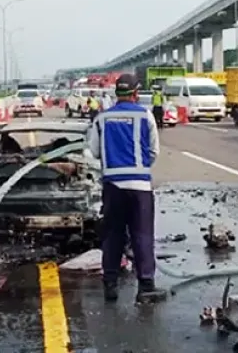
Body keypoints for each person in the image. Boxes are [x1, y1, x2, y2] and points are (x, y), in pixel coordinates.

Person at [88, 74, 166, 303]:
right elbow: (154, 152)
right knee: (142, 235)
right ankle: (146, 287)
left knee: (113, 235)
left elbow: (93, 152)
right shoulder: (146, 115)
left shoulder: (102, 118)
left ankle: (110, 285)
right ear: (135, 93)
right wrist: (138, 168)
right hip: (140, 186)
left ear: (116, 94)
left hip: (112, 185)